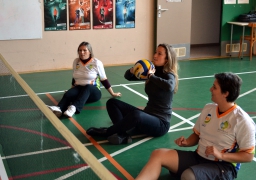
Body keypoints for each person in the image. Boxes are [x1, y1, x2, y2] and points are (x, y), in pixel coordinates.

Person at [135, 72, 255, 180]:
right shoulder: (209, 108)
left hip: (222, 166)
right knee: (158, 154)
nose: (210, 89)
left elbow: (248, 156)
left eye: (214, 87)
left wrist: (221, 155)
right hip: (198, 157)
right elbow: (197, 135)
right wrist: (186, 142)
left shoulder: (242, 121)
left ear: (226, 93)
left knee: (188, 176)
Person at [86, 43, 179, 144]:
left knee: (136, 115)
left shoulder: (169, 74)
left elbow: (170, 86)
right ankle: (122, 134)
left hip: (161, 124)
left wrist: (151, 76)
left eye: (159, 54)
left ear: (167, 59)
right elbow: (128, 76)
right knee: (112, 103)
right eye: (156, 52)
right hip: (147, 116)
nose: (155, 55)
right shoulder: (152, 70)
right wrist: (134, 69)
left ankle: (108, 132)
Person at [47, 41, 121, 118]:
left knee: (88, 87)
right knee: (68, 94)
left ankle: (74, 108)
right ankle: (59, 109)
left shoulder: (97, 63)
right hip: (79, 88)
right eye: (80, 50)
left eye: (84, 50)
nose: (82, 52)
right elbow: (75, 77)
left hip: (93, 91)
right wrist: (72, 90)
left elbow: (104, 79)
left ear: (89, 52)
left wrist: (112, 93)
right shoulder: (76, 61)